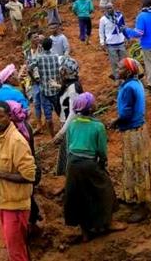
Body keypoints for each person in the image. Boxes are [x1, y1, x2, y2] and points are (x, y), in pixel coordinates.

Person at [62, 93, 125, 241]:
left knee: (78, 195)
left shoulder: (73, 124)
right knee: (105, 190)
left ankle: (85, 231)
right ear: (91, 108)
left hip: (73, 164)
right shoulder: (98, 126)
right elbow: (101, 151)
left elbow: (68, 145)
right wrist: (102, 163)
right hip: (89, 163)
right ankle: (106, 223)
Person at [0, 101, 36, 261]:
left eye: (0, 116)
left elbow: (29, 176)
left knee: (16, 252)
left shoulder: (17, 142)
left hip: (16, 206)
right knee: (16, 247)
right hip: (3, 201)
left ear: (9, 117)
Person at [110, 58, 151, 223]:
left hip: (132, 130)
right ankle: (139, 196)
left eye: (120, 68)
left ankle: (142, 206)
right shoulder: (135, 83)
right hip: (140, 128)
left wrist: (115, 121)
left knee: (135, 166)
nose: (117, 69)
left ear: (128, 72)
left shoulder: (128, 88)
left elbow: (126, 113)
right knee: (141, 163)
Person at [29, 38, 61, 136]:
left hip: (44, 89)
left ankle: (52, 136)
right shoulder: (56, 56)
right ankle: (64, 129)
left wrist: (34, 79)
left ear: (42, 46)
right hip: (56, 88)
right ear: (51, 46)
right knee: (60, 111)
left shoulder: (38, 58)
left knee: (48, 116)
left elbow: (29, 68)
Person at [99, 4, 128, 82]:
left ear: (113, 8)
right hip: (111, 45)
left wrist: (126, 38)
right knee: (114, 63)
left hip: (121, 42)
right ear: (105, 10)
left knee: (124, 62)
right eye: (108, 8)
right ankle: (118, 80)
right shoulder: (103, 19)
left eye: (111, 8)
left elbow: (123, 27)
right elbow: (101, 32)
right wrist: (102, 42)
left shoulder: (119, 16)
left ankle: (125, 78)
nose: (110, 10)